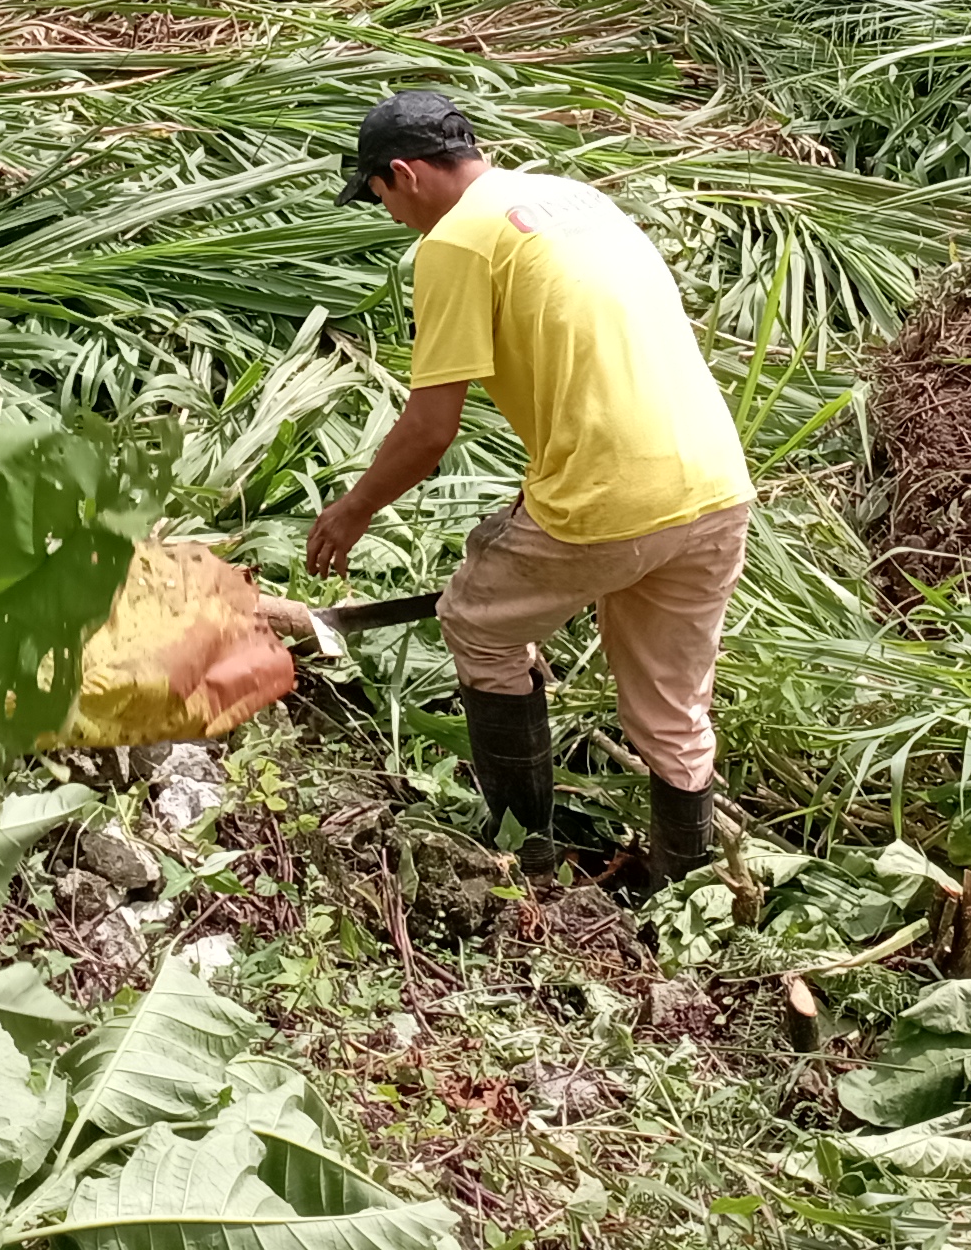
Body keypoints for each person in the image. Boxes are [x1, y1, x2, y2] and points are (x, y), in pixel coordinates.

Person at [304, 88, 756, 887]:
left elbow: (430, 429)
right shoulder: (577, 200)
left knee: (477, 625)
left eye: (378, 197)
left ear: (403, 174)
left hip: (610, 495)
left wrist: (351, 511)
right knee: (673, 712)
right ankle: (685, 899)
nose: (392, 218)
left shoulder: (455, 241)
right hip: (717, 485)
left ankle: (526, 855)